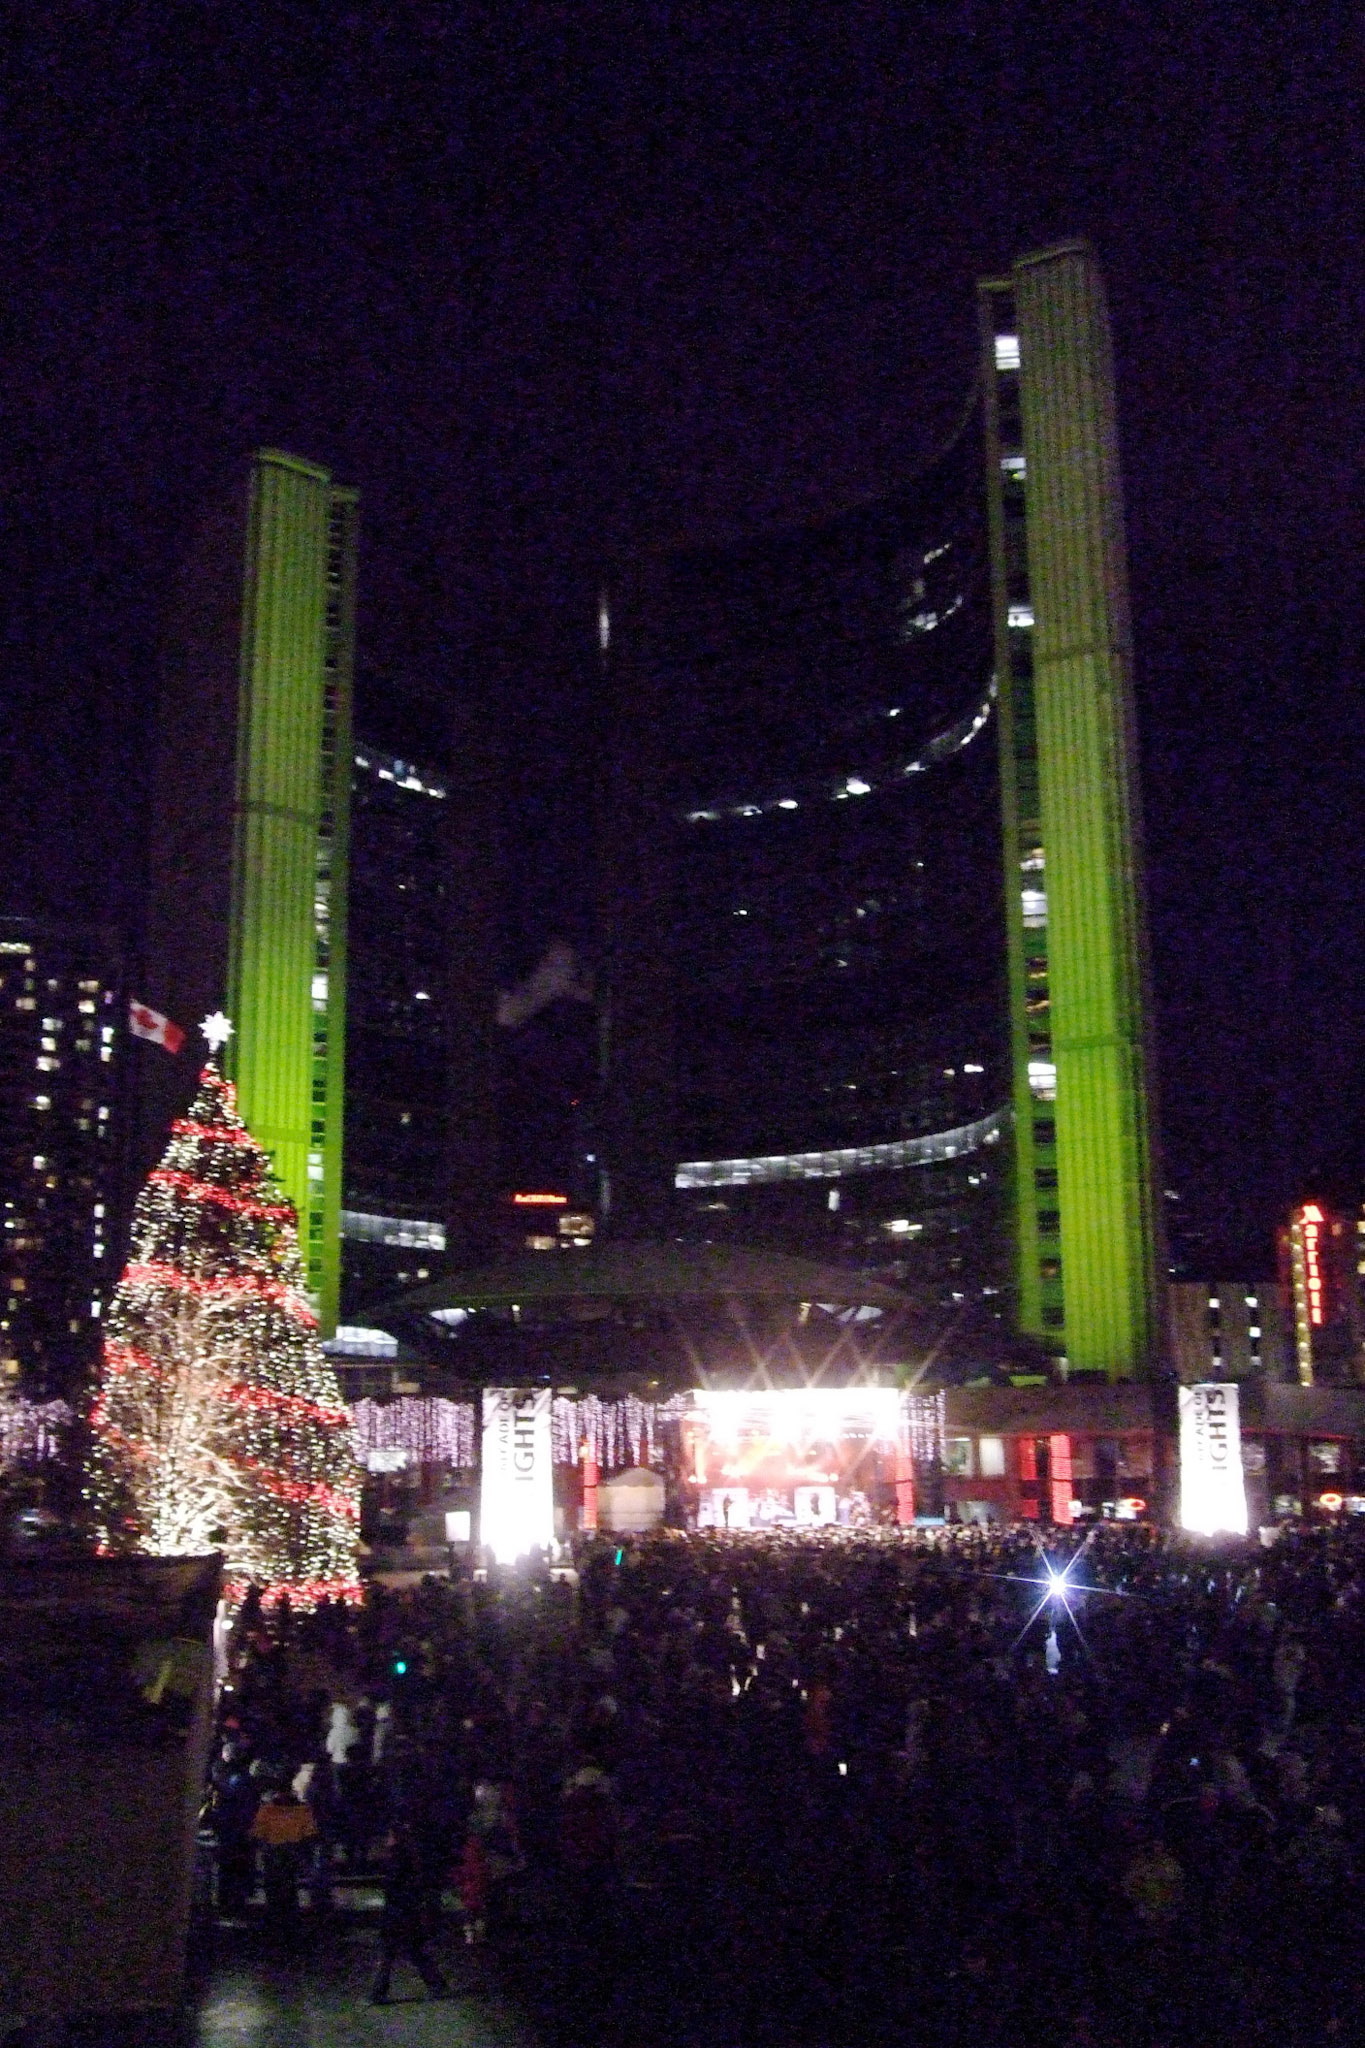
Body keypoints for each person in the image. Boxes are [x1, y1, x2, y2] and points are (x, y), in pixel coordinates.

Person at [370, 1822, 450, 2004]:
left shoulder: (397, 1859)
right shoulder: (408, 1857)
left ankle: (379, 1992)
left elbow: (393, 1885)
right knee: (412, 1952)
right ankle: (436, 1984)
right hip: (406, 1912)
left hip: (397, 1913)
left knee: (391, 1954)